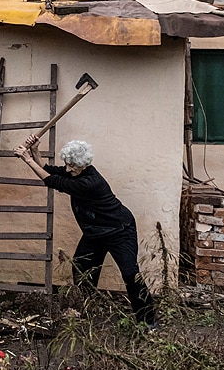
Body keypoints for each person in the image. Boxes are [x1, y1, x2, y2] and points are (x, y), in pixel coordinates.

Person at [13, 135, 156, 325]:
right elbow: (49, 171)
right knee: (81, 269)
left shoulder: (90, 182)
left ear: (84, 165)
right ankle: (87, 310)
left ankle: (148, 321)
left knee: (130, 274)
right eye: (67, 164)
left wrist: (28, 159)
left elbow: (52, 181)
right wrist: (36, 150)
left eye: (73, 166)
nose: (68, 169)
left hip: (119, 230)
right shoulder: (75, 172)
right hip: (95, 232)